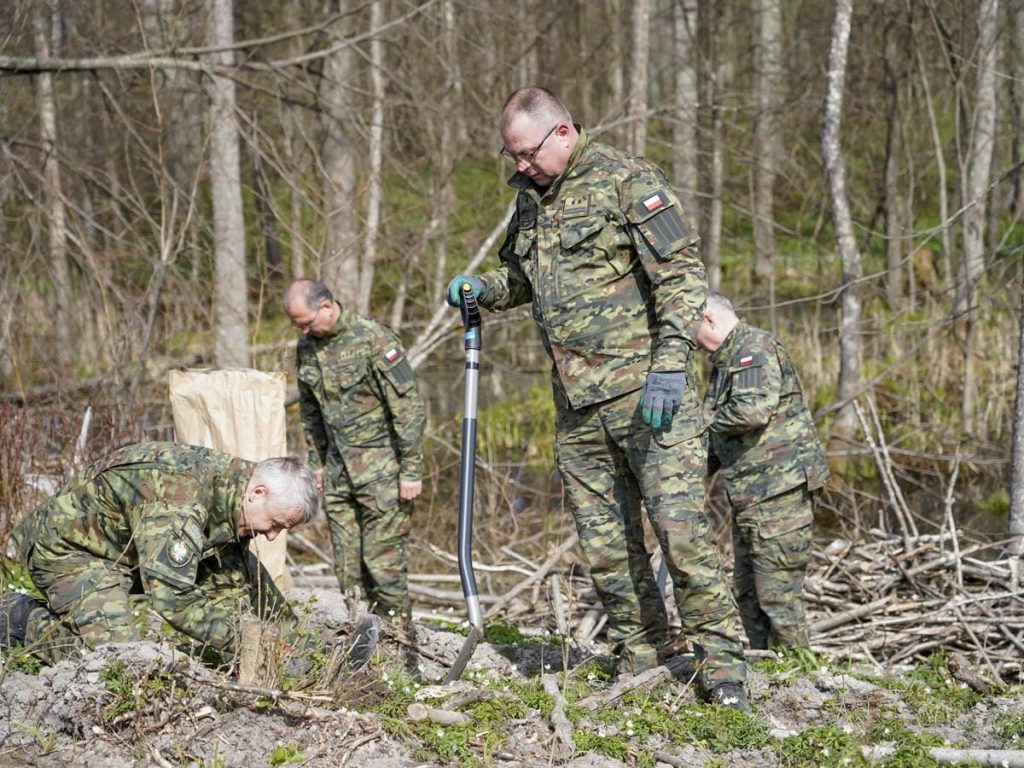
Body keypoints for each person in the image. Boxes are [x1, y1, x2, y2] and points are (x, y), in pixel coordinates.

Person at [446, 86, 747, 707]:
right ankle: (644, 653)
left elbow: (683, 278)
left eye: (527, 153)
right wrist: (481, 288)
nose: (520, 166)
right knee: (607, 545)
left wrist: (671, 364)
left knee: (681, 535)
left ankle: (722, 668)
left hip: (648, 394)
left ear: (562, 132)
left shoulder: (627, 180)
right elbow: (523, 279)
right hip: (577, 406)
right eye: (513, 156)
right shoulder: (530, 201)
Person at [0, 442, 319, 666]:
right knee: (119, 664)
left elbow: (241, 584)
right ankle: (21, 616)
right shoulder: (179, 499)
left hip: (127, 547)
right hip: (70, 551)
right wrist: (251, 645)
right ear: (257, 493)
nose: (273, 535)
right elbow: (172, 598)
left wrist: (289, 644)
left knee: (245, 573)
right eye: (275, 523)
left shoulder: (233, 492)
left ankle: (310, 650)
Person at [284, 278, 425, 621]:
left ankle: (399, 640)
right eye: (297, 325)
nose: (303, 332)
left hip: (382, 473)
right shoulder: (307, 349)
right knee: (347, 565)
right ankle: (359, 635)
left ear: (327, 307)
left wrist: (411, 469)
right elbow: (311, 411)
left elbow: (408, 408)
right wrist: (316, 462)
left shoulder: (373, 339)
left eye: (306, 323)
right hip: (337, 473)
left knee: (384, 565)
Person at [696, 293, 831, 650]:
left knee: (777, 595)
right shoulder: (724, 363)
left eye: (688, 327)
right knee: (748, 591)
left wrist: (696, 425)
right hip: (751, 495)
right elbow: (715, 440)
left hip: (778, 491)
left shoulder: (752, 348)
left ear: (708, 319)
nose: (687, 339)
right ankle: (769, 671)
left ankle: (799, 679)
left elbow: (751, 411)